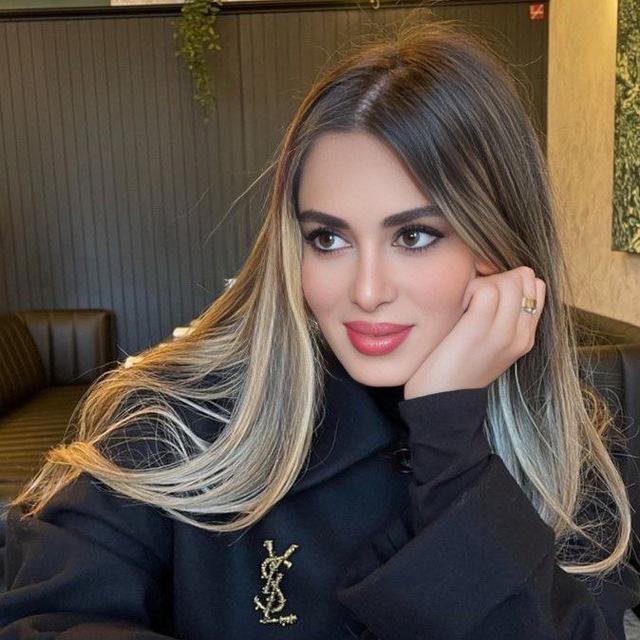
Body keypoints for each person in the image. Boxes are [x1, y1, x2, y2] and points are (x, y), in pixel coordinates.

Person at [1, 16, 639, 640]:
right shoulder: (176, 419)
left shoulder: (565, 450)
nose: (366, 291)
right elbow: (48, 620)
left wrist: (450, 435)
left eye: (415, 236)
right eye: (328, 238)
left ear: (499, 245)